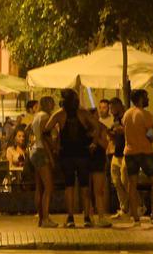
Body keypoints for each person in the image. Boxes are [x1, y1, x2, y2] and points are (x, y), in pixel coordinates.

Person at [44, 89, 100, 228]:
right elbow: (97, 126)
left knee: (69, 186)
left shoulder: (59, 114)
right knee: (84, 186)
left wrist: (54, 146)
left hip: (66, 155)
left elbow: (45, 130)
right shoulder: (83, 113)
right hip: (83, 154)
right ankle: (86, 217)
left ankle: (70, 218)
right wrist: (94, 141)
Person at [124, 89, 153, 227]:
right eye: (146, 97)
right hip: (145, 151)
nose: (148, 99)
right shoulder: (146, 115)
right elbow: (150, 135)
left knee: (132, 184)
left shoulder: (127, 114)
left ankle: (135, 216)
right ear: (141, 99)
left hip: (130, 152)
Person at [29, 96, 57, 228]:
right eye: (52, 103)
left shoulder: (36, 116)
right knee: (49, 187)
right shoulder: (45, 117)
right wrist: (51, 157)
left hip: (34, 151)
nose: (54, 106)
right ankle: (45, 217)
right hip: (41, 152)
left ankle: (40, 218)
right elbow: (45, 139)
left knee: (39, 187)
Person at [87, 109, 112, 228]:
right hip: (86, 160)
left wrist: (96, 138)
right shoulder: (84, 128)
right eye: (93, 116)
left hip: (98, 159)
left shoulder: (102, 127)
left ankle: (101, 216)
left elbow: (105, 145)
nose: (96, 118)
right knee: (87, 190)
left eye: (96, 116)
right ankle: (89, 216)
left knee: (98, 190)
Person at [108, 97, 130, 219]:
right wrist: (111, 134)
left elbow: (129, 131)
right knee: (116, 181)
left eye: (112, 108)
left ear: (118, 106)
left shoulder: (126, 116)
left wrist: (121, 130)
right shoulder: (116, 118)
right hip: (116, 153)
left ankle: (137, 206)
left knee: (125, 180)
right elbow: (115, 137)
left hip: (126, 153)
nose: (110, 110)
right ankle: (124, 208)